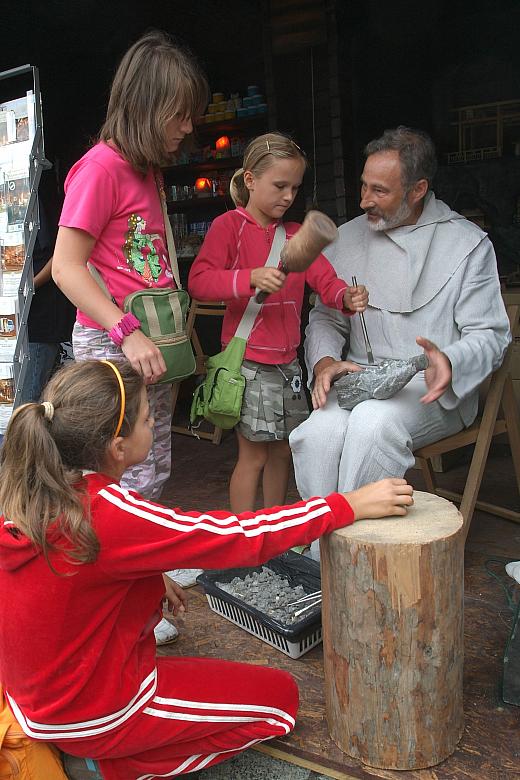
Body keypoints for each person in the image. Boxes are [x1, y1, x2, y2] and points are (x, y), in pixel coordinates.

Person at [0, 359, 413, 780]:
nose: (156, 420)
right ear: (117, 448)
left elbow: (77, 575)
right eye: (148, 417)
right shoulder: (112, 514)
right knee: (280, 704)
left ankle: (101, 747)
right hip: (96, 711)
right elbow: (235, 536)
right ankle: (105, 767)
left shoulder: (33, 491)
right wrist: (346, 505)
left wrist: (149, 572)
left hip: (39, 699)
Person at [51, 31, 209, 639]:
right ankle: (131, 603)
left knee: (150, 468)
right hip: (115, 347)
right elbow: (66, 266)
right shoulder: (100, 168)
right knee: (113, 477)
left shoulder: (144, 171)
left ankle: (150, 573)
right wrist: (126, 331)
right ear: (146, 105)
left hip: (147, 349)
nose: (188, 127)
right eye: (179, 112)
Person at [290, 126, 511, 550]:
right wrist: (323, 363)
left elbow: (490, 334)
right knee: (318, 433)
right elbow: (325, 317)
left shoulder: (466, 244)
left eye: (379, 190)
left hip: (430, 388)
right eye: (362, 186)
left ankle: (355, 549)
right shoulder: (348, 236)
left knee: (375, 424)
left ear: (417, 189)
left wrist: (450, 358)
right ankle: (321, 548)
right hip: (359, 380)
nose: (364, 200)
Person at [188, 132, 368, 513]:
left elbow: (326, 281)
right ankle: (244, 534)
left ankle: (274, 528)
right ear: (250, 180)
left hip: (289, 366)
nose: (288, 196)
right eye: (280, 185)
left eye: (295, 188)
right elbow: (199, 282)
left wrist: (345, 298)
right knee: (252, 457)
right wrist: (248, 278)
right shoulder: (228, 227)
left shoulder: (295, 235)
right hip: (249, 364)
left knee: (283, 452)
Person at [19, 170, 76, 405]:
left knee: (27, 404)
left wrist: (27, 288)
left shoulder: (40, 200)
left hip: (40, 318)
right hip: (20, 319)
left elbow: (59, 256)